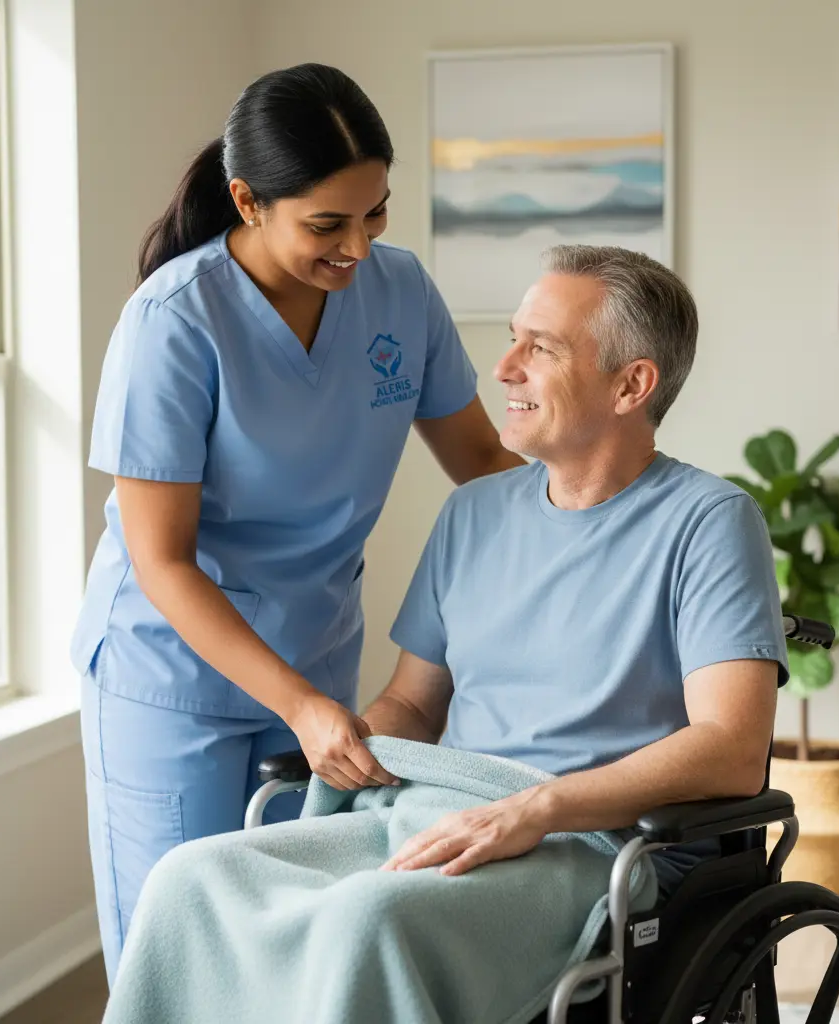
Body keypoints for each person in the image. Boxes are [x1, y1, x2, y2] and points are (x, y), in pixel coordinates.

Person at [99, 245, 790, 1023]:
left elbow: (731, 748)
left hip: (592, 844)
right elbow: (414, 705)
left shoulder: (709, 523)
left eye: (543, 347)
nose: (505, 368)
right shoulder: (475, 512)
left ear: (632, 384)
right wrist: (356, 742)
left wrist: (537, 809)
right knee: (191, 878)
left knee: (367, 921)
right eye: (513, 337)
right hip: (441, 808)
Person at [70, 62, 524, 984]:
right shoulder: (174, 319)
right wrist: (302, 704)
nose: (357, 248)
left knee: (291, 947)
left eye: (376, 213)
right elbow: (162, 560)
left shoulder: (400, 294)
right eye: (327, 223)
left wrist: (630, 522)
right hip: (170, 675)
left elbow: (482, 465)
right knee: (182, 954)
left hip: (314, 650)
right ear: (247, 199)